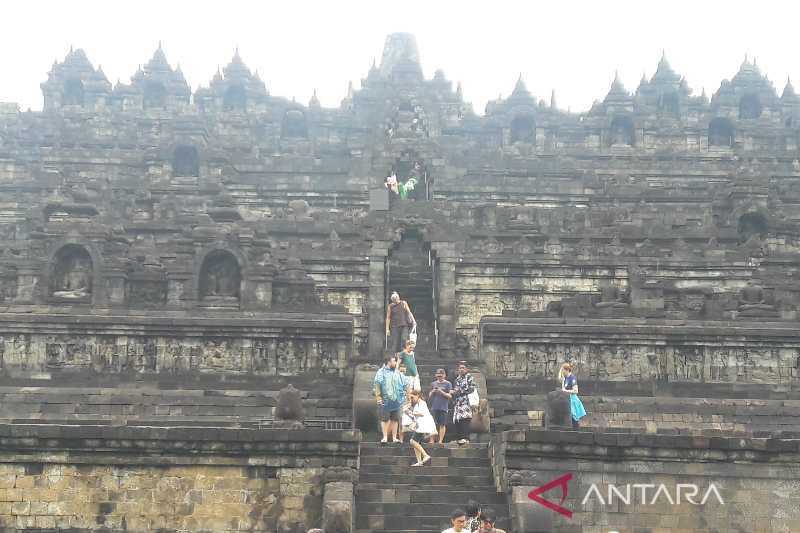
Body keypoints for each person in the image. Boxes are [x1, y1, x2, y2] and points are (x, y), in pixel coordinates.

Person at [374, 354, 406, 443]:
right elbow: (377, 384)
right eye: (394, 361)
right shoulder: (381, 372)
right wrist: (378, 396)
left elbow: (401, 383)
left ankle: (394, 437)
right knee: (385, 418)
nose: (395, 363)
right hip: (385, 399)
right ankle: (385, 437)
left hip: (396, 399)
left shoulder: (396, 372)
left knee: (395, 419)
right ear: (389, 362)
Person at [402, 389, 436, 466]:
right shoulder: (417, 404)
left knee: (412, 441)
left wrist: (410, 411)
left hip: (424, 425)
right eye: (410, 398)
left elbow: (421, 414)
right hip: (420, 425)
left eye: (412, 397)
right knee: (416, 443)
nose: (411, 400)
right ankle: (419, 461)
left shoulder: (422, 403)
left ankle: (425, 455)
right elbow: (414, 416)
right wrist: (407, 412)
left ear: (417, 396)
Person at [451, 362, 475, 445]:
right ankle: (459, 438)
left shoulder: (469, 377)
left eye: (463, 368)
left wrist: (460, 391)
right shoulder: (457, 379)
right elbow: (456, 389)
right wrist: (454, 392)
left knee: (465, 420)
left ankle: (466, 438)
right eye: (460, 368)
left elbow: (472, 389)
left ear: (467, 369)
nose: (461, 369)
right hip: (458, 403)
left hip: (466, 401)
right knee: (457, 420)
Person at [428, 368, 452, 444]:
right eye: (438, 376)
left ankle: (440, 440)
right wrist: (433, 391)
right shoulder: (433, 384)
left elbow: (450, 396)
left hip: (443, 407)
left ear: (444, 375)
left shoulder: (448, 384)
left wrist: (441, 392)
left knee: (442, 424)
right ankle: (431, 440)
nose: (439, 377)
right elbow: (429, 396)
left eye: (441, 376)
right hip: (434, 406)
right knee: (432, 424)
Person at [559, 363, 586, 429]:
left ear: (567, 370)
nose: (562, 372)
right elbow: (563, 389)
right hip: (566, 400)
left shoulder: (572, 378)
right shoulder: (565, 379)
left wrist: (565, 391)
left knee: (574, 418)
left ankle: (576, 431)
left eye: (563, 370)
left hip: (572, 400)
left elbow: (575, 391)